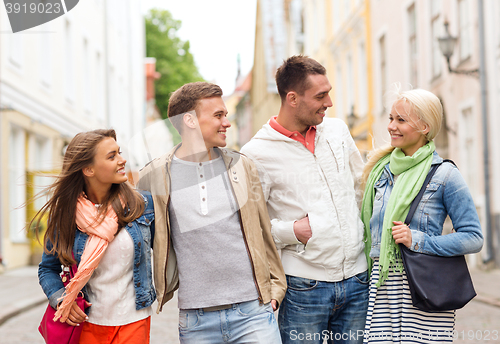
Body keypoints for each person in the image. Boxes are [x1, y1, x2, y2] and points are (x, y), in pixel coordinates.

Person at [137, 82, 286, 344]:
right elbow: (138, 238)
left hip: (252, 312)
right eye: (218, 115)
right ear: (190, 120)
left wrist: (275, 287)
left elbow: (263, 228)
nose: (226, 122)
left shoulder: (242, 167)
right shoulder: (155, 176)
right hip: (196, 320)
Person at [241, 55, 368, 344]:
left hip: (358, 279)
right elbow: (248, 226)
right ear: (293, 99)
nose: (329, 103)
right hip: (303, 287)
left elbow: (362, 190)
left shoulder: (337, 131)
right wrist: (291, 232)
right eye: (321, 96)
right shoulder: (256, 153)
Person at [360, 87, 484, 343]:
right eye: (391, 118)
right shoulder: (379, 172)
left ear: (425, 127)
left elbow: (473, 237)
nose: (391, 126)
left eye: (401, 120)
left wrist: (418, 239)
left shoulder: (446, 175)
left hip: (422, 285)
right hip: (381, 285)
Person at [37, 129, 156, 344]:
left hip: (135, 319)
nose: (122, 160)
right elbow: (47, 268)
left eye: (119, 152)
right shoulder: (66, 214)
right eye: (112, 156)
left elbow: (169, 248)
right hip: (87, 322)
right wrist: (61, 299)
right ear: (88, 169)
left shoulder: (142, 205)